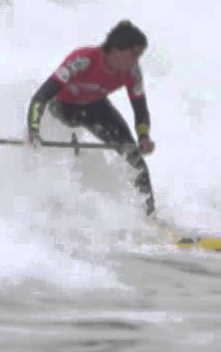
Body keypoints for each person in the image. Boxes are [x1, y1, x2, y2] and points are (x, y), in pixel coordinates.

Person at [25, 20, 158, 217]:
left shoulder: (132, 72)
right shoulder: (82, 60)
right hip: (63, 107)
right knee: (72, 118)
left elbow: (140, 108)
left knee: (134, 157)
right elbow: (41, 97)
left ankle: (150, 217)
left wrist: (144, 137)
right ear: (116, 50)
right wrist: (33, 130)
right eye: (134, 54)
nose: (136, 60)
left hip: (96, 106)